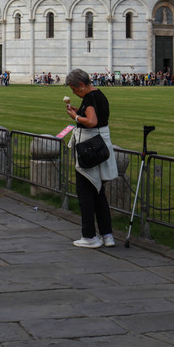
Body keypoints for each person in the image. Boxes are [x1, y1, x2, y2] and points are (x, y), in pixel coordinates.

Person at [64, 68, 118, 248]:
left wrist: (76, 116)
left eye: (74, 89)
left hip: (89, 150)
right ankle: (107, 235)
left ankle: (89, 236)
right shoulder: (100, 95)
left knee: (85, 194)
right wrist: (79, 111)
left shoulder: (89, 98)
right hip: (101, 146)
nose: (73, 93)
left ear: (81, 84)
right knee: (99, 193)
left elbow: (92, 121)